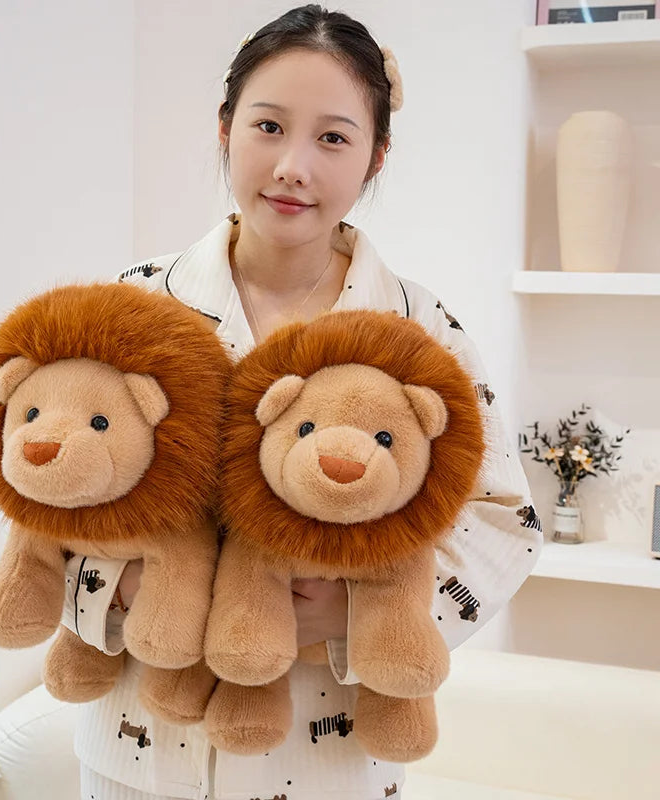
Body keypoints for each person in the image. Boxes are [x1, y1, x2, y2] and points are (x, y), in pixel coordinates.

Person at [63, 5, 541, 799]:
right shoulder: (130, 308)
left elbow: (505, 520)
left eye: (333, 137)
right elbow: (46, 487)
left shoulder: (421, 330)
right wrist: (119, 591)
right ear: (225, 128)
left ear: (376, 156)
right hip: (137, 749)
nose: (292, 166)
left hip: (328, 762)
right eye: (269, 126)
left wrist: (356, 620)